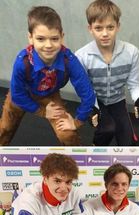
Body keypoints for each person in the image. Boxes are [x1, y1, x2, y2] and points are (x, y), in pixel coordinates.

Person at [0, 6, 95, 146]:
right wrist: (42, 112)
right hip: (23, 95)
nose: (48, 45)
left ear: (62, 37)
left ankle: (75, 161)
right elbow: (17, 94)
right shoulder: (23, 62)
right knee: (5, 129)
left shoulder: (69, 60)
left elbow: (88, 94)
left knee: (67, 135)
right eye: (41, 39)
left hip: (49, 95)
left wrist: (78, 121)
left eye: (54, 38)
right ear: (30, 38)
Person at [75, 0, 139, 146]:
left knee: (128, 142)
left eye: (110, 27)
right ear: (90, 28)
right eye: (98, 28)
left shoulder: (132, 52)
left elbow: (134, 83)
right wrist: (91, 107)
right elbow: (84, 89)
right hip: (96, 100)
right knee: (107, 129)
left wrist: (138, 100)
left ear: (118, 26)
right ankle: (96, 146)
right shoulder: (81, 56)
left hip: (118, 101)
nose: (105, 33)